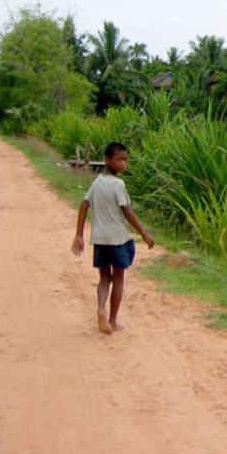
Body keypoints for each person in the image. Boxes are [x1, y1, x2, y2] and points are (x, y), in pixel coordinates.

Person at [71, 142, 154, 334]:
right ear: (107, 160)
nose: (123, 164)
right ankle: (113, 320)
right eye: (119, 160)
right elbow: (127, 212)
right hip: (117, 239)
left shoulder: (97, 182)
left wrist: (79, 234)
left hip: (99, 239)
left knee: (103, 278)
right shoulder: (118, 184)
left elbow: (84, 206)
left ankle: (101, 308)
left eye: (125, 160)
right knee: (118, 278)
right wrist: (144, 234)